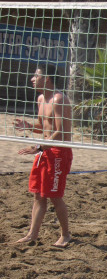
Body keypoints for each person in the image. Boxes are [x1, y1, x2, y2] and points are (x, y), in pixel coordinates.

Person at [13, 63, 73, 247]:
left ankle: (65, 235)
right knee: (38, 195)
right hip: (45, 150)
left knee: (54, 196)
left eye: (36, 75)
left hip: (58, 152)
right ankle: (32, 234)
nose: (32, 79)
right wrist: (29, 126)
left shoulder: (59, 99)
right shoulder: (41, 99)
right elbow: (43, 126)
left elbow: (61, 132)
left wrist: (38, 147)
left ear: (46, 78)